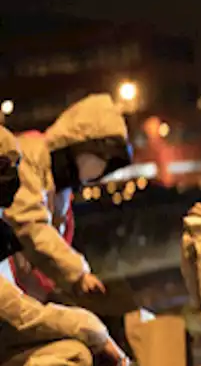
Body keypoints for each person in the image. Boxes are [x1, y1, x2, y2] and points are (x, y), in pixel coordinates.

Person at [0, 126, 129, 366]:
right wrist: (94, 331)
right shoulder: (39, 164)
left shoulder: (56, 184)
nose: (12, 179)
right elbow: (15, 314)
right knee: (76, 360)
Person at [5, 94, 132, 302]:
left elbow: (49, 244)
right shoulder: (28, 156)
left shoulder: (60, 186)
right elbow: (30, 226)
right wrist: (78, 275)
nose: (101, 169)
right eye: (103, 157)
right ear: (82, 144)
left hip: (23, 293)